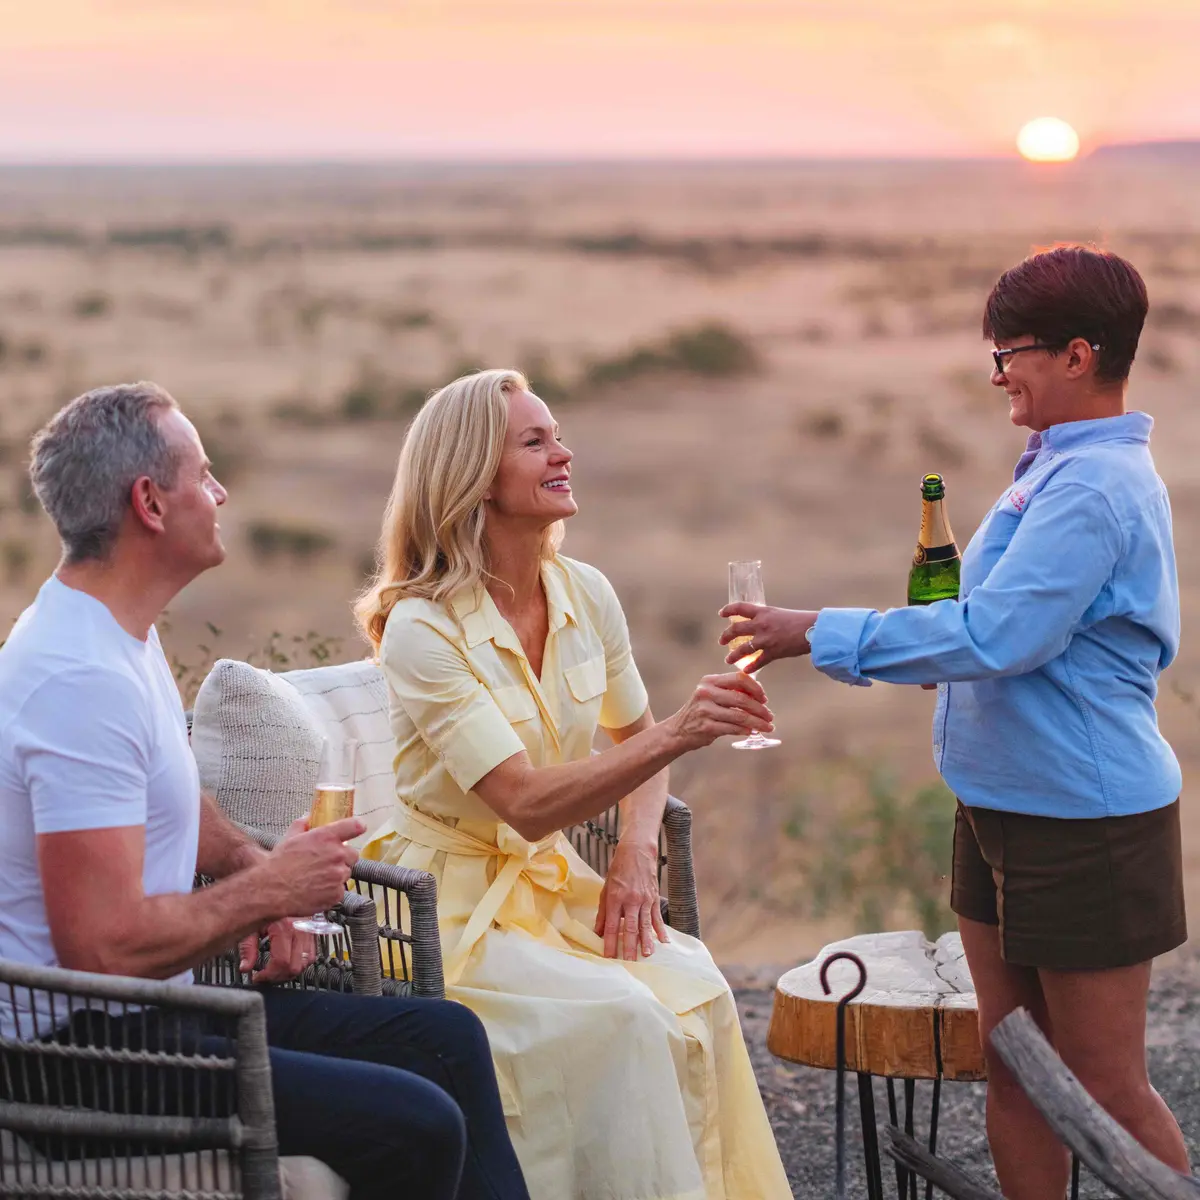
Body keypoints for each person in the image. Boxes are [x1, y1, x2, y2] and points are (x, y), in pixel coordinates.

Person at [718, 245, 1188, 1199]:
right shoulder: (1053, 469)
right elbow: (999, 632)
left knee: (1100, 1084)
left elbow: (1004, 633)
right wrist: (947, 658)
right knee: (1013, 1066)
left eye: (1008, 352)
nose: (997, 374)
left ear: (1078, 355)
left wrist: (817, 631)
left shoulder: (1095, 485)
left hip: (1083, 820)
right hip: (1001, 804)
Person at [0, 381, 530, 1200]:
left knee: (446, 1038)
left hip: (141, 1017)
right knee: (416, 1121)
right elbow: (99, 949)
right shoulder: (76, 681)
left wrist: (252, 869)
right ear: (149, 502)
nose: (220, 493)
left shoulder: (115, 633)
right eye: (203, 474)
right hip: (73, 1057)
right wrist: (270, 890)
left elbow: (170, 796)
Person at [356, 368, 791, 1199]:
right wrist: (680, 732)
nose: (564, 452)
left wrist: (634, 854)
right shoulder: (421, 627)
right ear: (476, 475)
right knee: (621, 1019)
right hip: (441, 909)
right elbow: (522, 803)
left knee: (699, 987)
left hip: (552, 886)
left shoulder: (584, 592)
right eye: (536, 440)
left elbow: (636, 751)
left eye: (556, 434)